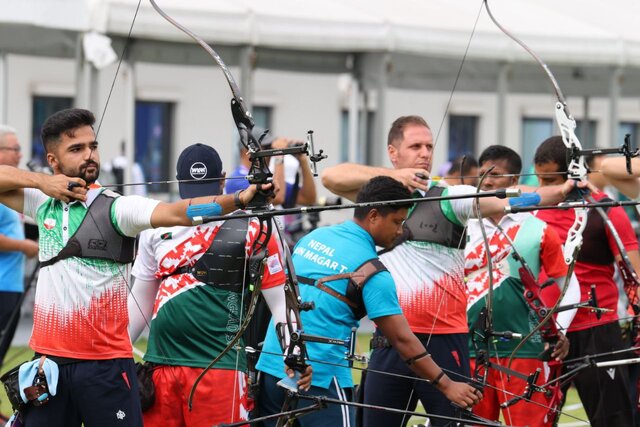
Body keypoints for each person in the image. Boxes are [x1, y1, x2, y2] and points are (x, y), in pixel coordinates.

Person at [0, 108, 265, 427]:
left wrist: (239, 198)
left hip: (105, 367)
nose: (89, 155)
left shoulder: (117, 208)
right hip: (49, 365)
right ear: (54, 161)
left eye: (92, 146)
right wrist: (43, 183)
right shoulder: (41, 201)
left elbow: (179, 212)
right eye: (76, 149)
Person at [321, 115, 586, 427]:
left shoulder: (450, 196)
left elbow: (518, 199)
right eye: (415, 146)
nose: (424, 153)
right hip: (392, 338)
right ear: (393, 152)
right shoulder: (377, 197)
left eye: (429, 146)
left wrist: (566, 186)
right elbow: (331, 177)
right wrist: (399, 176)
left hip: (445, 343)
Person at [256, 176, 481, 427]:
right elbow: (402, 340)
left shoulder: (313, 238)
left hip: (272, 367)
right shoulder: (373, 272)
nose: (400, 230)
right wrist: (448, 386)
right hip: (320, 379)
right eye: (397, 221)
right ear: (373, 216)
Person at [128, 143, 309, 427]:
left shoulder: (254, 227)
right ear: (178, 185)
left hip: (220, 368)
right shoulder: (158, 227)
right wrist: (115, 355)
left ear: (223, 180)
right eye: (192, 192)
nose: (201, 200)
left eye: (209, 189)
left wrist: (294, 352)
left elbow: (280, 302)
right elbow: (140, 299)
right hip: (160, 366)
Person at [465, 145, 579, 426]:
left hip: (523, 350)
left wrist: (558, 330)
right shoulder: (462, 225)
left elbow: (570, 285)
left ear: (515, 181)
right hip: (469, 348)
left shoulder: (538, 227)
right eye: (482, 174)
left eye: (497, 175)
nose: (487, 181)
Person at [534, 136, 639, 427]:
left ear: (572, 176)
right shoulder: (531, 209)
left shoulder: (605, 209)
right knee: (535, 418)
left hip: (597, 330)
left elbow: (635, 273)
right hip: (547, 331)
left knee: (613, 420)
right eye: (540, 179)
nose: (544, 188)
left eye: (550, 179)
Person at [0, 126, 39, 365]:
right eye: (14, 149)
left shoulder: (12, 190)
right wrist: (24, 246)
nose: (20, 155)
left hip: (10, 284)